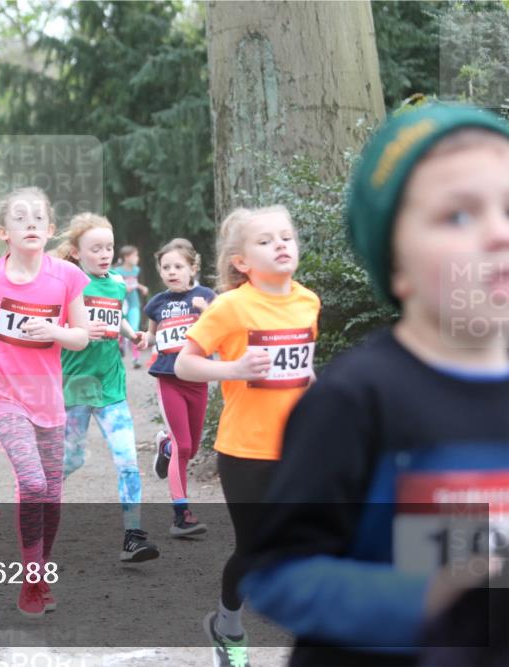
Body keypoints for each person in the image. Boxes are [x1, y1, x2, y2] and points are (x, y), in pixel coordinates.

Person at [240, 104, 509, 667]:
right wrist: (426, 597)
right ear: (396, 267)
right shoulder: (353, 400)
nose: (499, 234)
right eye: (458, 216)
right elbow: (275, 573)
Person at [173, 205, 320, 667]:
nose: (280, 244)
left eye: (286, 237)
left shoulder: (307, 301)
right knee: (254, 548)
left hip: (300, 446)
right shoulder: (232, 306)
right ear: (241, 262)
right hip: (246, 451)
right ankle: (227, 625)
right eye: (265, 241)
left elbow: (303, 368)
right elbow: (184, 363)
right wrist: (233, 368)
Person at [0, 186, 89, 617]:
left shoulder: (67, 276)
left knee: (52, 494)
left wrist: (55, 333)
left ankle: (40, 569)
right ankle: (31, 579)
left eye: (38, 218)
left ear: (49, 229)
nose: (30, 223)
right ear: (2, 233)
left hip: (49, 399)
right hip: (4, 395)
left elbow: (81, 337)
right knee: (32, 483)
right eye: (19, 218)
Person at [55, 213, 160, 563]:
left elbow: (116, 315)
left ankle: (133, 536)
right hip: (75, 387)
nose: (104, 254)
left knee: (128, 459)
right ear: (75, 252)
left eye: (109, 248)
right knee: (70, 460)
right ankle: (37, 504)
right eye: (95, 248)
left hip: (111, 387)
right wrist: (82, 332)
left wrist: (134, 335)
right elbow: (56, 329)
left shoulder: (116, 282)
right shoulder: (69, 285)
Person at [142, 239, 216, 537]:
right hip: (168, 378)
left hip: (197, 380)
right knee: (184, 447)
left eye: (178, 266)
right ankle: (180, 516)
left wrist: (206, 312)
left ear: (192, 268)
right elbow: (151, 336)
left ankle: (165, 446)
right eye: (166, 267)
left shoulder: (206, 297)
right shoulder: (157, 303)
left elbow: (219, 332)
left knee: (190, 447)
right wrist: (141, 339)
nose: (172, 272)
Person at [115, 245, 149, 368]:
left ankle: (136, 359)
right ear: (126, 257)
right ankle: (119, 348)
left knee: (134, 329)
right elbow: (116, 286)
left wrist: (141, 287)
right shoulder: (117, 272)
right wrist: (123, 288)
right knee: (118, 329)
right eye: (135, 255)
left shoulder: (136, 270)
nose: (137, 258)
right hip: (122, 303)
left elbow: (134, 282)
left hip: (134, 302)